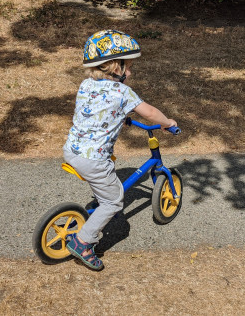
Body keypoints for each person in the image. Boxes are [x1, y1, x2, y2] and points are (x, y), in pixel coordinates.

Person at [63, 29, 177, 271]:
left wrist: (119, 116)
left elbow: (97, 109)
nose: (131, 72)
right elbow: (150, 113)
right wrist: (168, 123)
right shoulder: (122, 92)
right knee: (114, 201)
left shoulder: (85, 84)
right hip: (93, 160)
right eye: (128, 66)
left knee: (105, 185)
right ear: (116, 67)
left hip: (71, 151)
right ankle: (83, 242)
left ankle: (93, 212)